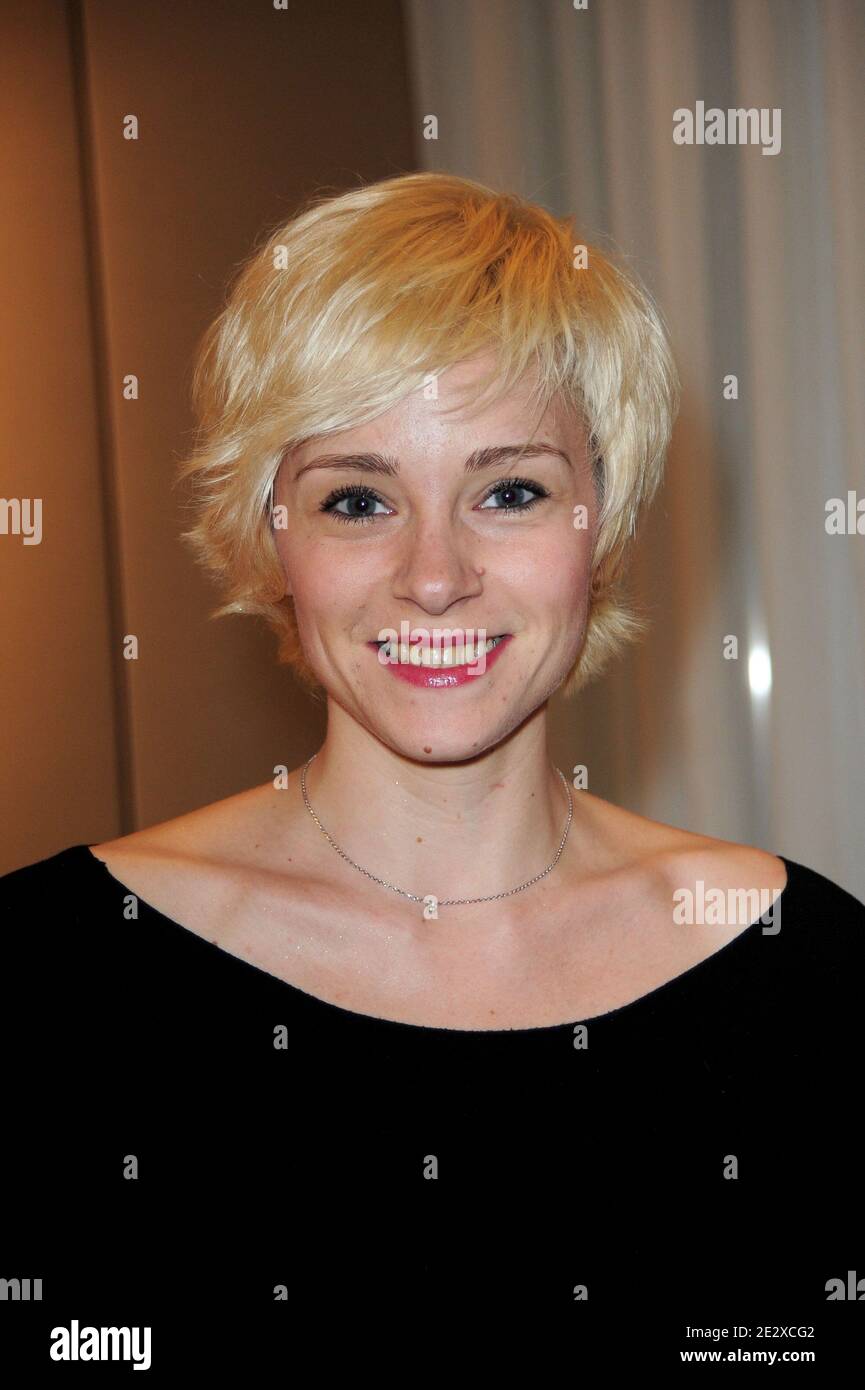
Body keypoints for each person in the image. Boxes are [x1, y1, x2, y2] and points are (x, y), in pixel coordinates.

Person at [1, 173, 862, 1360]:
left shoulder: (804, 978)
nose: (437, 573)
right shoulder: (53, 982)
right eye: (357, 500)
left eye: (510, 490)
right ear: (271, 541)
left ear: (599, 524)